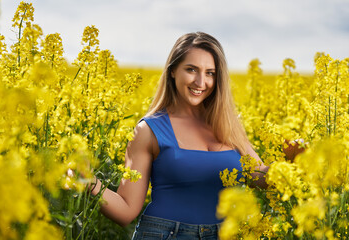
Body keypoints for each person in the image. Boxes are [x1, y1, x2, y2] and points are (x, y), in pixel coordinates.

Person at [89, 32, 269, 240]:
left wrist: (292, 161)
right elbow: (126, 210)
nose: (201, 82)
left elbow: (259, 177)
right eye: (191, 70)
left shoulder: (229, 126)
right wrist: (88, 182)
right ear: (173, 71)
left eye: (210, 73)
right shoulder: (149, 130)